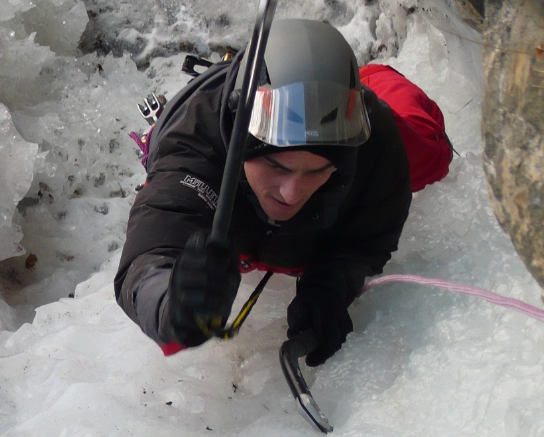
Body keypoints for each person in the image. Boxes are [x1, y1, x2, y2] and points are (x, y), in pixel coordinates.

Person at [115, 19, 449, 366]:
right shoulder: (196, 147)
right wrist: (174, 305)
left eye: (317, 170)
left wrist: (330, 286)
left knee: (433, 154)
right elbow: (146, 261)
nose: (291, 194)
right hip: (214, 125)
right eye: (275, 166)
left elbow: (367, 241)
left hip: (368, 110)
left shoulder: (376, 144)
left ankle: (365, 77)